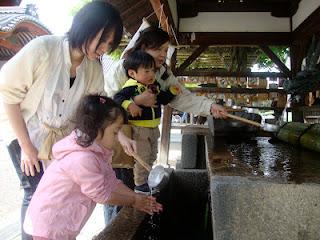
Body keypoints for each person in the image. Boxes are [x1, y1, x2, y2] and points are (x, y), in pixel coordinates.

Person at [0, 2, 134, 239]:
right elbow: (8, 95)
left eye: (109, 45)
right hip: (25, 133)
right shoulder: (42, 49)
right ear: (85, 28)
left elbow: (101, 106)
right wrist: (26, 147)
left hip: (61, 142)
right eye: (102, 40)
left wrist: (120, 134)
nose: (104, 49)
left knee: (56, 196)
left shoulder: (92, 68)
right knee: (34, 193)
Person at [102, 26, 227, 223]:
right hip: (120, 140)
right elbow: (106, 102)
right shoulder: (124, 67)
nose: (163, 54)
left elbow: (182, 97)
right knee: (118, 190)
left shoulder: (162, 73)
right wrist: (130, 111)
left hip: (143, 137)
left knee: (140, 185)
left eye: (165, 49)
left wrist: (210, 107)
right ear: (142, 47)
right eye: (158, 49)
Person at [23, 95, 162, 240]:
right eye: (115, 132)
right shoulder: (82, 158)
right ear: (96, 128)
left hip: (63, 223)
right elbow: (102, 195)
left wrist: (137, 197)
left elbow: (111, 183)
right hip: (50, 224)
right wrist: (134, 201)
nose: (117, 139)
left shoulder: (95, 151)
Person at [113, 50, 180, 193]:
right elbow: (117, 98)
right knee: (142, 156)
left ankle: (149, 179)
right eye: (146, 71)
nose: (151, 74)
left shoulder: (154, 86)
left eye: (153, 71)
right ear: (132, 73)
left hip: (154, 128)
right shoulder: (131, 86)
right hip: (139, 129)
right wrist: (130, 105)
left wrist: (171, 93)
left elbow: (161, 99)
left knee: (152, 154)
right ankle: (140, 184)